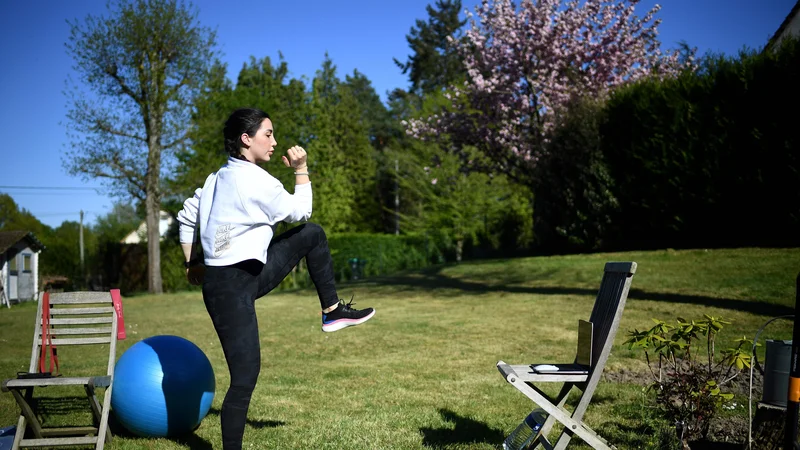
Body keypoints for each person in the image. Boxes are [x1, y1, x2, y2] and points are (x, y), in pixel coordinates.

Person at [176, 107, 375, 450]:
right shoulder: (255, 179)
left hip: (248, 273)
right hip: (229, 290)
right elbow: (301, 209)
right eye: (268, 134)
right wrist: (301, 169)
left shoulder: (215, 179)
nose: (274, 141)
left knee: (312, 235)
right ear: (246, 139)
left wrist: (191, 262)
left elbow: (185, 218)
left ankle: (332, 310)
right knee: (244, 378)